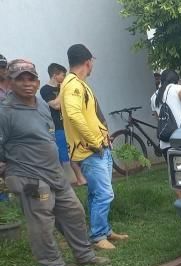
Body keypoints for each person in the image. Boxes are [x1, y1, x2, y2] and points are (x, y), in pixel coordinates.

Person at [0, 59, 108, 266]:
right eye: (20, 79)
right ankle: (54, 265)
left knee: (74, 212)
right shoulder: (5, 111)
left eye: (30, 78)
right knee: (42, 222)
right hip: (29, 176)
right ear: (9, 82)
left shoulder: (41, 105)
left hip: (54, 173)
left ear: (38, 82)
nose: (26, 83)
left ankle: (84, 255)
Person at [60, 43, 127, 251]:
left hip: (98, 147)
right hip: (91, 150)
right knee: (105, 194)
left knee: (96, 193)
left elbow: (88, 116)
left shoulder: (78, 83)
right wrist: (94, 141)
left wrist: (103, 137)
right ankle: (98, 236)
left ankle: (104, 230)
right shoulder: (73, 85)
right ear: (88, 62)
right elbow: (74, 115)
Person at [40, 63, 88, 186]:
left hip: (72, 124)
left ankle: (81, 179)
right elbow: (56, 105)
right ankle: (61, 183)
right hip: (58, 127)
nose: (65, 77)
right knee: (62, 156)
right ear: (55, 75)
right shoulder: (45, 89)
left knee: (78, 151)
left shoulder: (65, 87)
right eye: (63, 75)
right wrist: (64, 88)